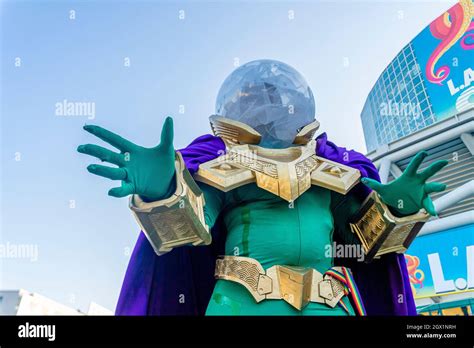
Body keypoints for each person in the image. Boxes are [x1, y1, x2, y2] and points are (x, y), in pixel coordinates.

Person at [77, 60, 448, 315]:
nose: (269, 111)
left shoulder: (335, 168)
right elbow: (190, 225)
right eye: (257, 102)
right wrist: (162, 189)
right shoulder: (219, 164)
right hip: (241, 302)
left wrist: (399, 204)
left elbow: (368, 240)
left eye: (276, 102)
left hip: (329, 304)